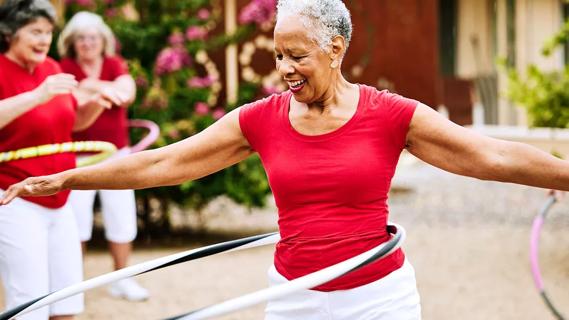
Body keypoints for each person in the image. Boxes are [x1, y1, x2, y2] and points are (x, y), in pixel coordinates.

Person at [2, 0, 569, 319]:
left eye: (297, 54)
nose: (285, 68)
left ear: (336, 48)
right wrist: (66, 175)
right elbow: (161, 164)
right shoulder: (260, 119)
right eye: (278, 55)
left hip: (380, 299)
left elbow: (490, 154)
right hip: (293, 297)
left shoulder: (392, 114)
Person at [0, 0, 123, 319]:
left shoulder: (53, 69)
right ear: (10, 32)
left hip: (58, 196)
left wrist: (97, 104)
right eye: (35, 32)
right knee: (29, 298)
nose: (44, 40)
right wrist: (38, 95)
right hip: (15, 198)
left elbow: (71, 122)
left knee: (67, 296)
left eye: (48, 32)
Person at [56, 12, 149, 302]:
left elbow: (128, 93)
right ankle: (72, 283)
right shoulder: (64, 67)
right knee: (76, 222)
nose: (87, 43)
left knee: (121, 217)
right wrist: (106, 89)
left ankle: (121, 279)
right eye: (81, 38)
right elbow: (75, 97)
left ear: (103, 40)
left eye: (93, 37)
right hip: (79, 156)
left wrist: (91, 87)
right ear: (72, 42)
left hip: (117, 154)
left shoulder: (113, 63)